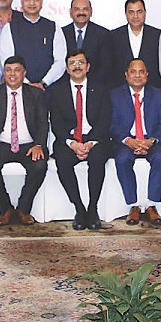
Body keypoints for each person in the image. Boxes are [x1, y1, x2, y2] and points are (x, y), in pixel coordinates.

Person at [47, 49, 112, 230]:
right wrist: (73, 144)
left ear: (88, 67)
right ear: (67, 69)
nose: (77, 67)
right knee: (62, 161)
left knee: (97, 160)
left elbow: (105, 121)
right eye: (72, 63)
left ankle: (93, 208)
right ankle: (79, 208)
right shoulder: (56, 91)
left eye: (81, 63)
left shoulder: (101, 89)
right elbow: (57, 123)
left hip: (95, 139)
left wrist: (89, 143)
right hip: (69, 140)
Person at [0, 56, 49, 225]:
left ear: (24, 73)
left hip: (29, 144)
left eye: (17, 70)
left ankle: (23, 209)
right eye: (8, 70)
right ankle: (6, 209)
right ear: (3, 73)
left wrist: (39, 144)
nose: (12, 74)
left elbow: (43, 122)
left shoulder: (36, 94)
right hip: (2, 144)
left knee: (39, 165)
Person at [109, 58, 161, 227]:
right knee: (122, 159)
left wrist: (150, 141)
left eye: (141, 72)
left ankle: (151, 205)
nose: (137, 76)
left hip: (150, 141)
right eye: (133, 72)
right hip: (127, 142)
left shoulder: (157, 94)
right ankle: (133, 206)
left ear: (147, 75)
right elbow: (112, 124)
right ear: (126, 75)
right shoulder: (115, 95)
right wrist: (128, 140)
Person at [0, 0, 65, 88]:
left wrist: (44, 83)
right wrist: (27, 84)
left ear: (41, 2)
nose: (32, 3)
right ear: (22, 2)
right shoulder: (10, 28)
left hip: (49, 87)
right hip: (19, 88)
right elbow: (6, 60)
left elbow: (60, 61)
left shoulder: (53, 27)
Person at [109, 0, 161, 89]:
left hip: (152, 90)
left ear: (145, 12)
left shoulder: (158, 35)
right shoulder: (113, 36)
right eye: (131, 12)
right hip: (121, 91)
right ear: (126, 14)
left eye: (139, 12)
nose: (135, 16)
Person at [60, 0, 115, 89]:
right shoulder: (61, 33)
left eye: (85, 9)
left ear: (91, 11)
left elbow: (106, 65)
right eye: (77, 9)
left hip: (96, 87)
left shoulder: (103, 34)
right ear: (71, 12)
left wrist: (89, 85)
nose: (81, 12)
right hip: (66, 88)